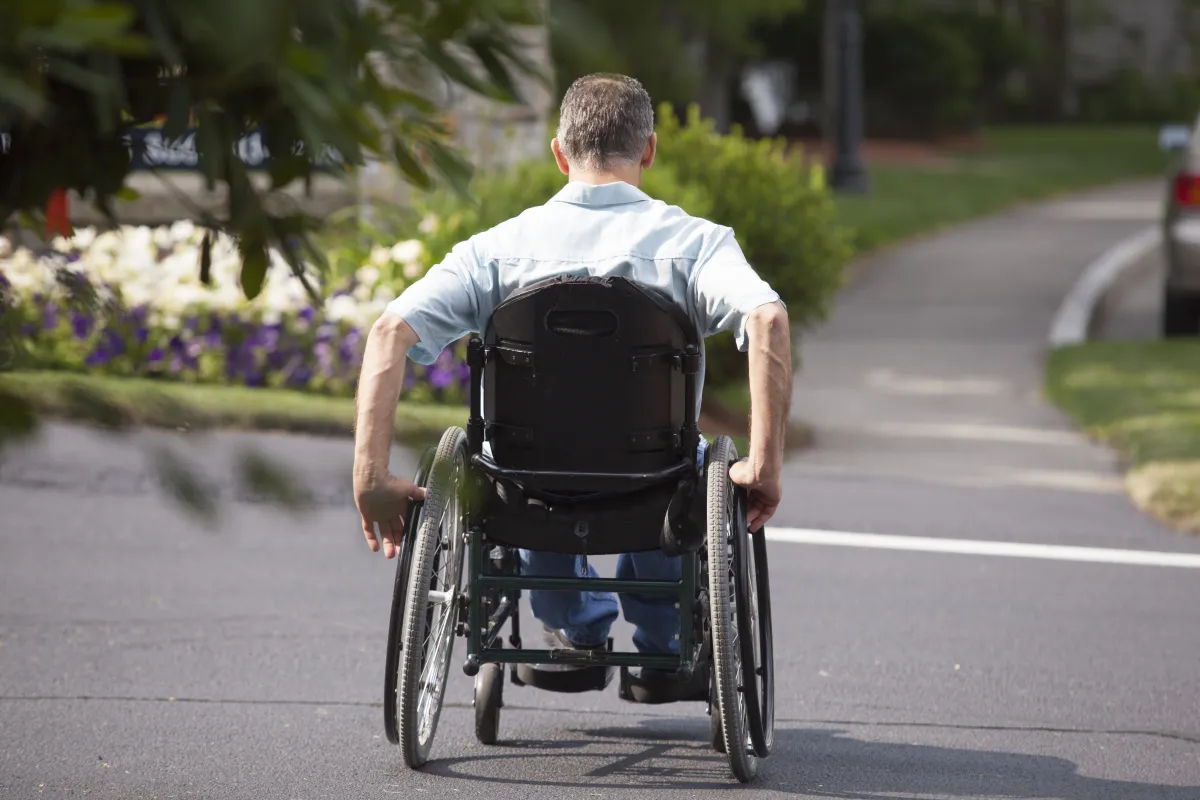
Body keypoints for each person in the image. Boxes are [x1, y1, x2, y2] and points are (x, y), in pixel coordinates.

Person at [351, 73, 792, 691]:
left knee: (525, 464)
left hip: (525, 483)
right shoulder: (695, 246)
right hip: (655, 479)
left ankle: (576, 630)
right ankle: (664, 645)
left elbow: (388, 332)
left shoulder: (496, 252)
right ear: (648, 150)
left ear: (558, 154)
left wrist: (371, 478)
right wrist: (765, 465)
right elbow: (767, 318)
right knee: (685, 466)